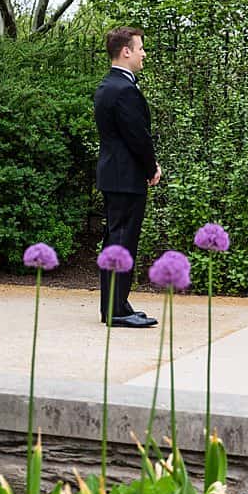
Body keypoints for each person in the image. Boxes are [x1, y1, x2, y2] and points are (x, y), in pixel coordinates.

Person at [94, 26, 160, 329]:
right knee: (122, 242)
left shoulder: (107, 86)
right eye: (141, 48)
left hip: (114, 175)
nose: (144, 54)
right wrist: (151, 168)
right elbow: (138, 137)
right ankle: (116, 310)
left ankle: (117, 303)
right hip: (126, 177)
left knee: (115, 240)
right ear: (126, 51)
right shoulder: (124, 90)